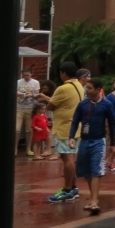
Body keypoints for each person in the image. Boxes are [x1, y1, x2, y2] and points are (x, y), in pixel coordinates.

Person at [68, 78, 115, 215]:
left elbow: (113, 124)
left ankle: (95, 201)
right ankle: (92, 198)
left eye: (89, 88)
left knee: (96, 170)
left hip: (98, 140)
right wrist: (71, 137)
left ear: (98, 89)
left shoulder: (106, 104)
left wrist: (113, 144)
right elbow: (75, 121)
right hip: (84, 140)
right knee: (86, 171)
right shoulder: (82, 104)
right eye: (86, 88)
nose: (86, 90)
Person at [43, 61, 84, 203]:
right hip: (75, 127)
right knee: (72, 157)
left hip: (64, 129)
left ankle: (67, 189)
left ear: (64, 73)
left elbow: (50, 106)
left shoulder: (63, 88)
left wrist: (44, 99)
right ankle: (73, 188)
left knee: (67, 158)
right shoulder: (79, 85)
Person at [16, 68, 40, 157]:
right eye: (24, 75)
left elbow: (37, 94)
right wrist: (19, 94)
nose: (26, 77)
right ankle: (15, 148)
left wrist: (32, 95)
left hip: (30, 107)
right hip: (19, 107)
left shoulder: (35, 82)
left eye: (27, 75)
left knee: (29, 129)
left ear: (31, 74)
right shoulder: (18, 82)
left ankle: (28, 148)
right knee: (17, 129)